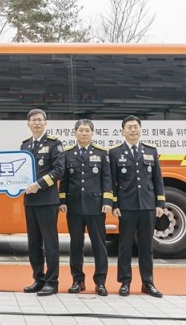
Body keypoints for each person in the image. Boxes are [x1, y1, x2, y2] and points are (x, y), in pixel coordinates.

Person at [109, 115, 166, 298]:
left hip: (148, 206)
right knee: (125, 246)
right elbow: (112, 182)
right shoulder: (115, 153)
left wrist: (160, 204)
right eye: (129, 127)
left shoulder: (150, 150)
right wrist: (115, 204)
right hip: (126, 207)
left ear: (141, 129)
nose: (133, 130)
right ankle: (125, 282)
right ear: (122, 131)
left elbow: (157, 179)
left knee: (146, 247)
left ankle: (148, 283)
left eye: (136, 127)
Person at [59, 119, 112, 296]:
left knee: (99, 246)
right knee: (76, 245)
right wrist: (63, 201)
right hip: (74, 207)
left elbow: (107, 180)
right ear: (75, 133)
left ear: (92, 133)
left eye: (87, 131)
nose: (84, 133)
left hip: (96, 207)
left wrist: (107, 202)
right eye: (80, 130)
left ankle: (101, 282)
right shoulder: (68, 154)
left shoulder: (102, 153)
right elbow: (64, 182)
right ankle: (77, 280)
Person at [20, 108, 65, 296]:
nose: (36, 123)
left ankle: (52, 282)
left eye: (40, 120)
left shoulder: (55, 144)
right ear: (28, 124)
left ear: (45, 123)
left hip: (47, 200)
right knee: (34, 243)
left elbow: (59, 170)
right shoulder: (25, 146)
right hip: (30, 201)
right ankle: (38, 279)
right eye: (33, 120)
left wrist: (39, 184)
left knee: (50, 243)